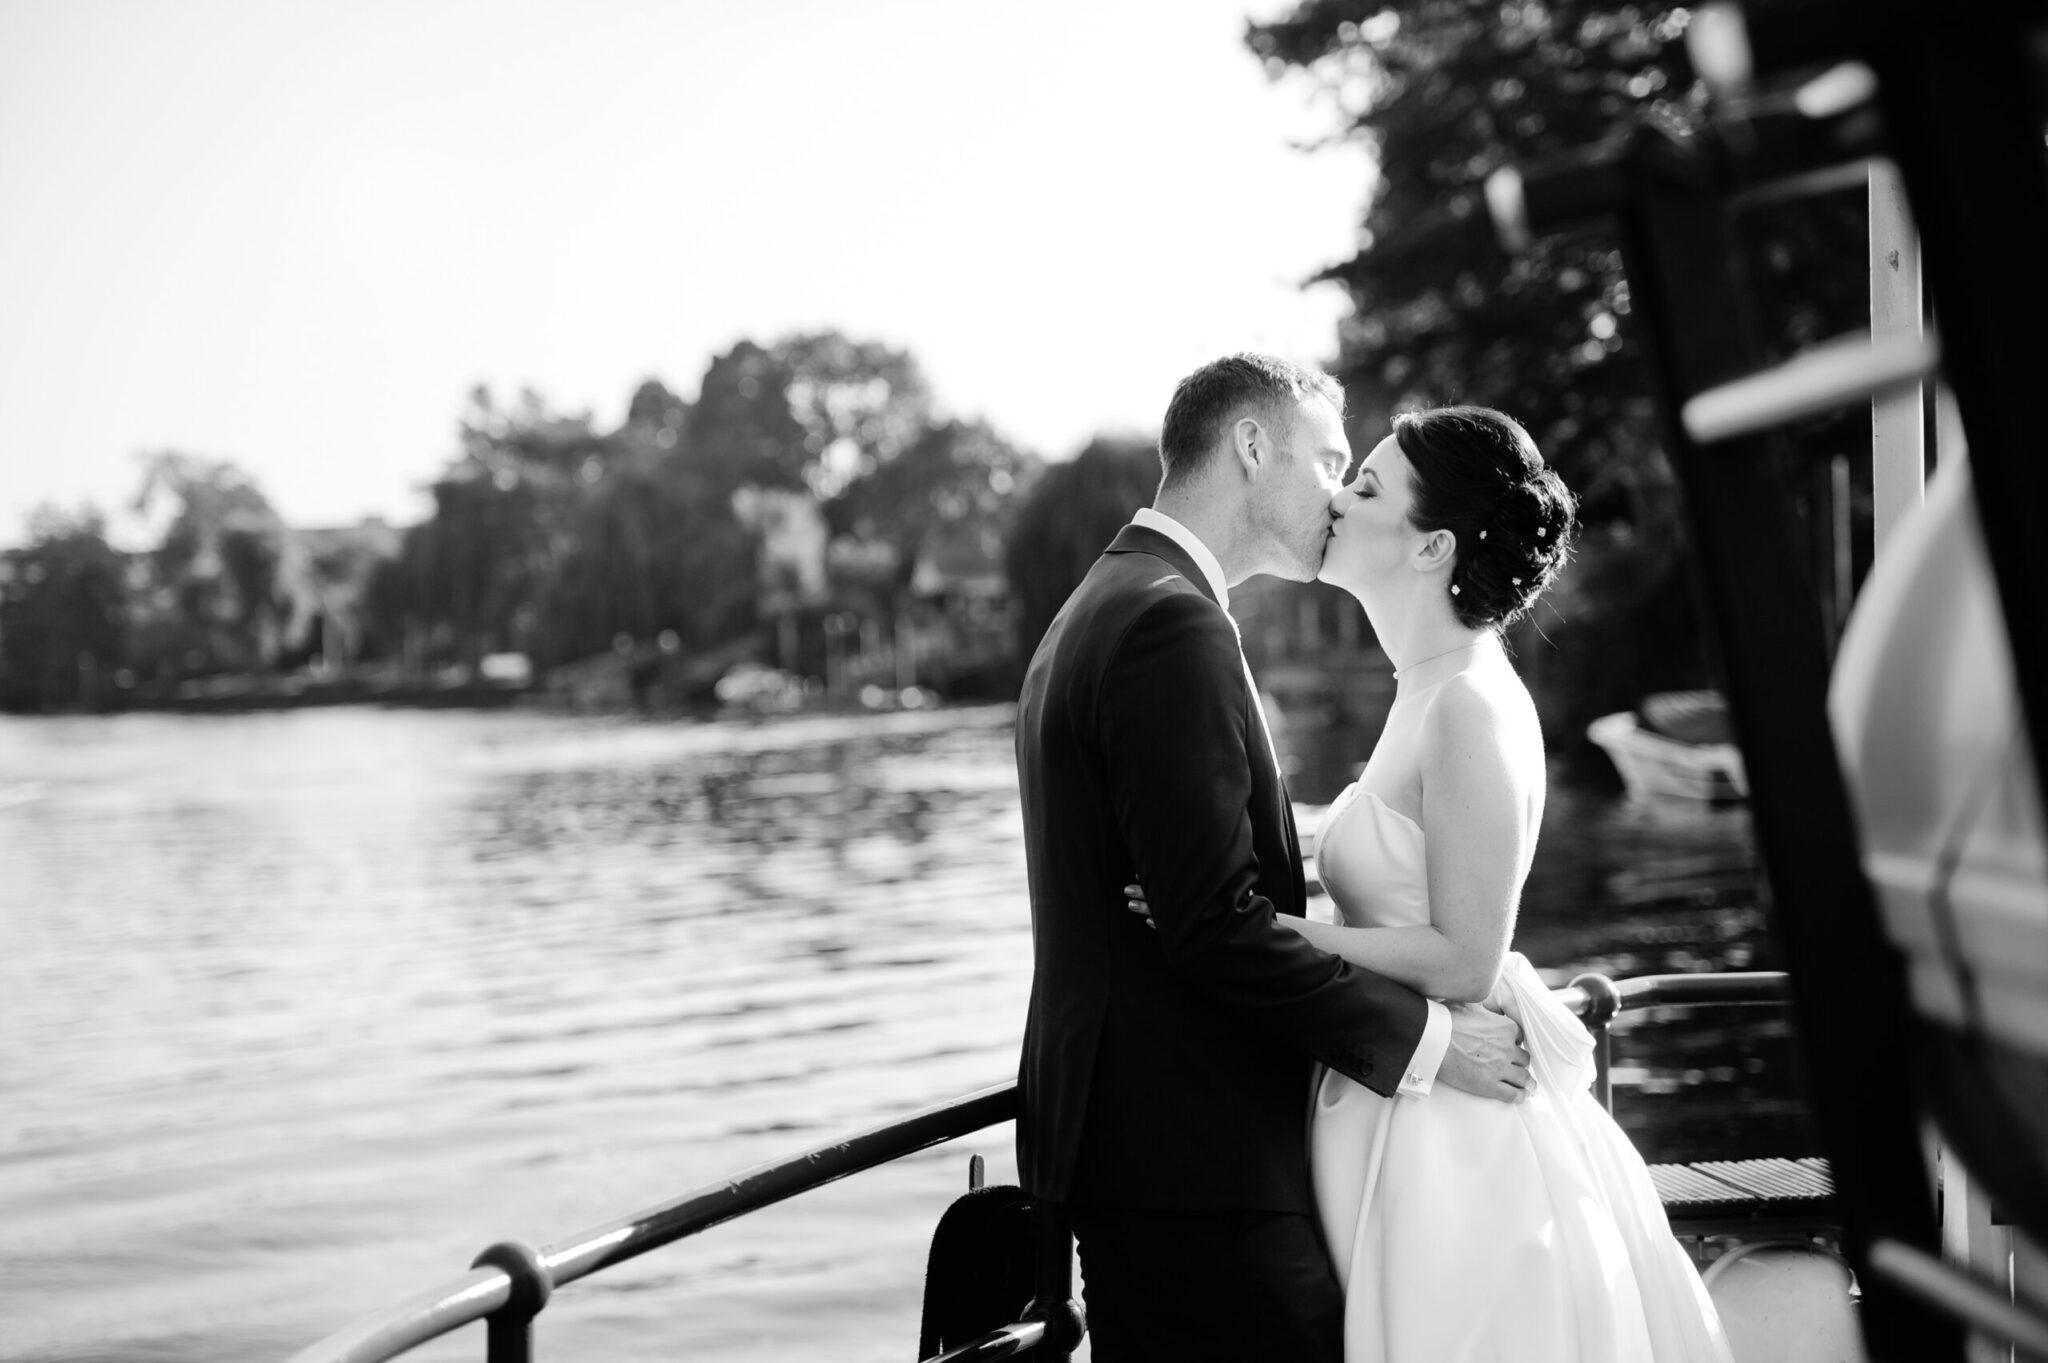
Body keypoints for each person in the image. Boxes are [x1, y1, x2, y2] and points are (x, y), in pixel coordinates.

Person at [1133, 404, 1733, 1362]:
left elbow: (1463, 955)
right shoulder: (1427, 686)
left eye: (1366, 487)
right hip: (1399, 1106)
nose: (1336, 496)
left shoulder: (1468, 704)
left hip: (1460, 1149)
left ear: (1433, 547)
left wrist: (1248, 923)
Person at [1013, 356, 1533, 1363]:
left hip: (1142, 1153)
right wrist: (1429, 1044)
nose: (1339, 490)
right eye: (1330, 457)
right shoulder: (1170, 622)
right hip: (1193, 1167)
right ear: (1252, 447)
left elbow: (1191, 895)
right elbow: (1212, 927)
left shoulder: (1107, 600)